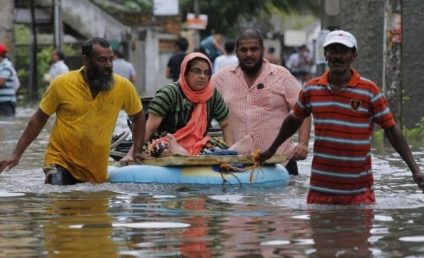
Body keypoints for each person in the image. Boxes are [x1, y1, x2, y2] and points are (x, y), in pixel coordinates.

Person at [258, 30, 424, 204]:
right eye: (333, 50)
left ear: (353, 56)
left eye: (343, 51)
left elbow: (391, 129)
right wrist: (271, 149)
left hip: (359, 194)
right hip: (320, 192)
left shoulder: (369, 91)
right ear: (325, 55)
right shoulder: (311, 89)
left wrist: (415, 170)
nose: (337, 56)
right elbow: (294, 120)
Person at [0, 37, 146, 185]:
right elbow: (39, 118)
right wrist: (16, 154)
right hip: (60, 160)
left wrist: (137, 151)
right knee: (58, 194)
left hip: (95, 169)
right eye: (101, 60)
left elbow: (139, 117)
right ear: (86, 60)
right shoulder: (61, 83)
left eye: (110, 59)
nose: (108, 65)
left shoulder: (123, 87)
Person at [212, 28, 311, 176]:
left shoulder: (281, 76)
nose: (249, 54)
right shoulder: (221, 79)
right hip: (237, 166)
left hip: (281, 164)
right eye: (243, 50)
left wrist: (303, 144)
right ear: (236, 52)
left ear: (262, 50)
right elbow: (200, 103)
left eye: (254, 49)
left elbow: (304, 111)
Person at [120, 52, 232, 164]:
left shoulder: (212, 95)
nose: (202, 76)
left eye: (206, 73)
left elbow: (225, 123)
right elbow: (149, 128)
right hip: (164, 142)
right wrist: (131, 154)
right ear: (185, 73)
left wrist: (230, 155)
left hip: (197, 143)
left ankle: (185, 154)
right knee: (160, 147)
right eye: (197, 71)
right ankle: (179, 153)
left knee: (220, 147)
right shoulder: (169, 93)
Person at [0, 43, 20, 116]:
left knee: (5, 123)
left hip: (6, 102)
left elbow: (1, 82)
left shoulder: (6, 66)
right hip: (2, 101)